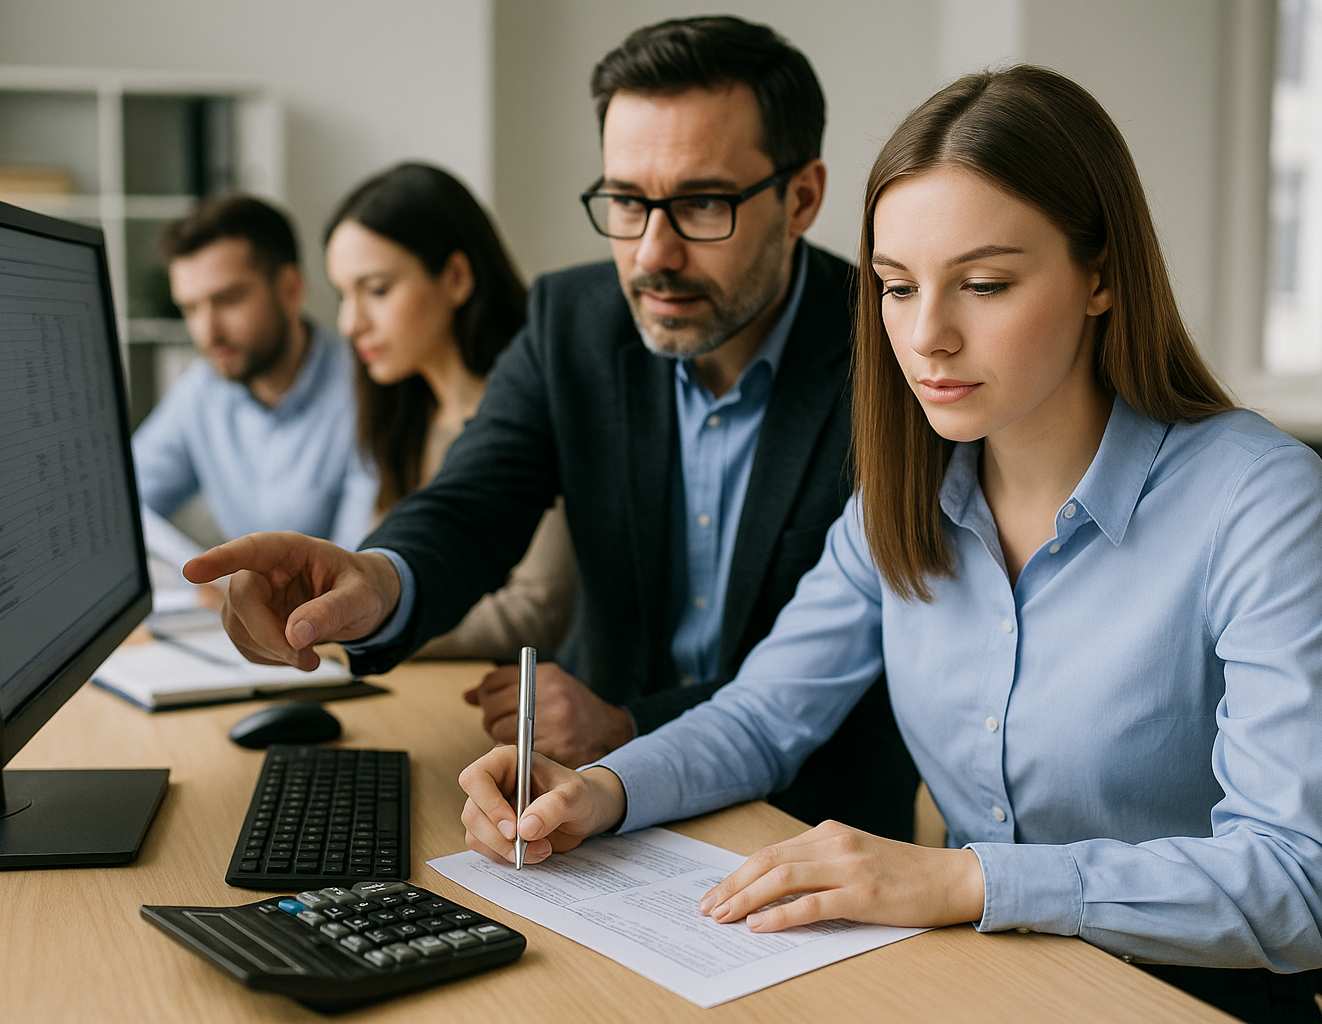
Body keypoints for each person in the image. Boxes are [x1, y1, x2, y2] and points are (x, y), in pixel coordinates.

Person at [456, 66, 1322, 1024]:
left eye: (982, 283)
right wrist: (596, 791)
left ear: (1101, 275)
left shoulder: (1254, 495)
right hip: (976, 989)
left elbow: (1304, 888)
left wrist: (967, 881)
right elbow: (763, 718)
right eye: (896, 287)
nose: (926, 335)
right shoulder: (908, 487)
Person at [185, 16, 920, 840]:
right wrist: (377, 582)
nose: (652, 254)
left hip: (814, 829)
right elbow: (474, 499)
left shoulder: (897, 357)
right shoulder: (571, 320)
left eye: (702, 204)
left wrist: (630, 724)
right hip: (582, 811)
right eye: (625, 202)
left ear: (803, 197)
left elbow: (870, 660)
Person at [323, 162, 575, 660]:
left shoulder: (535, 421)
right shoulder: (408, 415)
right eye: (341, 295)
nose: (350, 323)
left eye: (376, 290)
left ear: (457, 278)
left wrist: (342, 631)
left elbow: (531, 614)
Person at [134, 194, 373, 550]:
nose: (207, 332)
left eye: (229, 300)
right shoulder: (200, 391)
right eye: (190, 308)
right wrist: (197, 576)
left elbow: (360, 569)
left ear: (291, 290)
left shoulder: (368, 393)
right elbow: (119, 501)